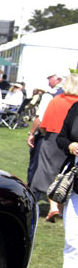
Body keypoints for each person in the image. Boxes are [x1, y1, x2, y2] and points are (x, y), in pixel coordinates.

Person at [30, 74, 78, 222]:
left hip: (53, 138)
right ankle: (62, 207)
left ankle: (53, 207)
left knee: (50, 172)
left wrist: (35, 133)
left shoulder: (57, 100)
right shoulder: (75, 103)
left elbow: (44, 122)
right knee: (66, 174)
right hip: (70, 142)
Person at [44, 98, 78, 268]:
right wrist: (71, 145)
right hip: (75, 184)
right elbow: (61, 138)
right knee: (72, 239)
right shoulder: (75, 108)